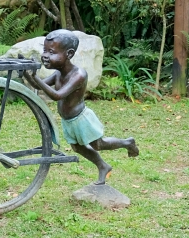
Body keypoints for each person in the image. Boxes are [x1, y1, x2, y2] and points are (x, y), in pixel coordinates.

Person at [23, 29, 138, 185]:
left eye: (51, 52)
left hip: (81, 119)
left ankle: (127, 143)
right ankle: (103, 166)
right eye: (45, 50)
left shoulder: (79, 75)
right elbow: (39, 85)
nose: (45, 55)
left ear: (69, 54)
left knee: (98, 144)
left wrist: (35, 76)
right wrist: (26, 73)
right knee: (77, 148)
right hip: (68, 120)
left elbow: (57, 95)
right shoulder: (58, 73)